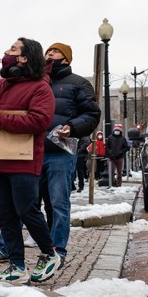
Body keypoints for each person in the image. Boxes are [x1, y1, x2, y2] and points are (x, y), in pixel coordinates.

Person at [0, 37, 60, 285]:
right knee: (6, 215)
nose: (5, 53)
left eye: (12, 49)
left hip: (23, 161)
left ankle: (50, 254)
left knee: (26, 210)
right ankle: (16, 266)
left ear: (24, 57)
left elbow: (39, 121)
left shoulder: (40, 88)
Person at [38, 42, 100, 266]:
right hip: (32, 150)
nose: (49, 54)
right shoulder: (37, 80)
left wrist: (72, 128)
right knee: (24, 203)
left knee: (58, 203)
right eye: (48, 51)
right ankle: (8, 248)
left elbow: (92, 115)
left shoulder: (78, 83)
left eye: (55, 52)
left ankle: (57, 251)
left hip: (60, 152)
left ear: (66, 59)